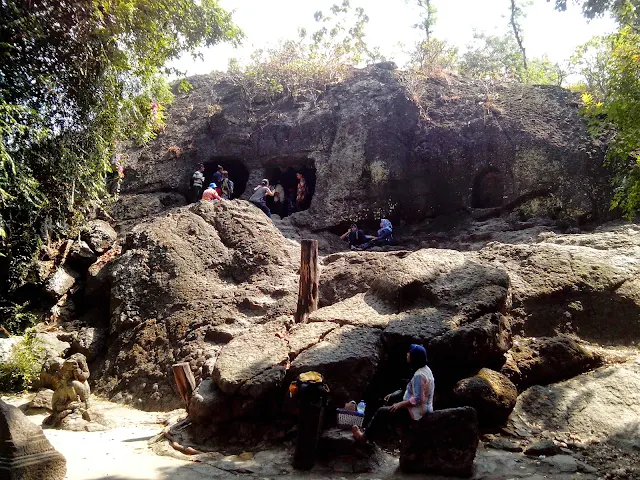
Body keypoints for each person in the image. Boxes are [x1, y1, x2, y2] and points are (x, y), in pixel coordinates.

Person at [352, 344, 434, 444]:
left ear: (414, 358)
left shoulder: (419, 376)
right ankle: (375, 434)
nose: (407, 354)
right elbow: (409, 389)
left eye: (409, 353)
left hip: (417, 412)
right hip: (423, 406)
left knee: (381, 411)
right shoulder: (425, 369)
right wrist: (393, 394)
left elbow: (418, 398)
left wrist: (400, 404)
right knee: (390, 400)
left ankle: (364, 438)